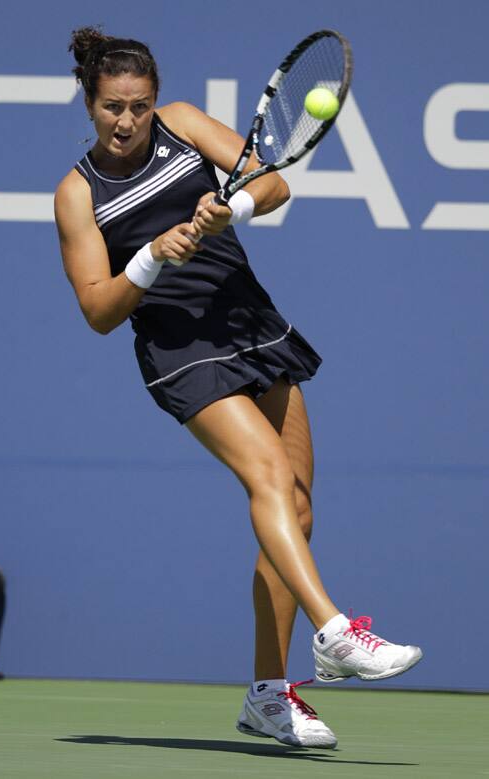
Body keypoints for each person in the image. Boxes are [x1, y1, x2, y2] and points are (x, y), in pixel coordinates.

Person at [55, 26, 422, 750]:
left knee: (299, 508)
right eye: (111, 108)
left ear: (155, 100)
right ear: (89, 103)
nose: (126, 121)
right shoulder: (77, 193)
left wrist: (235, 211)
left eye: (138, 105)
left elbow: (272, 182)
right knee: (268, 476)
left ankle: (267, 695)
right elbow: (98, 309)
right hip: (182, 349)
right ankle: (335, 632)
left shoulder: (186, 125)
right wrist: (153, 259)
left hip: (252, 320)